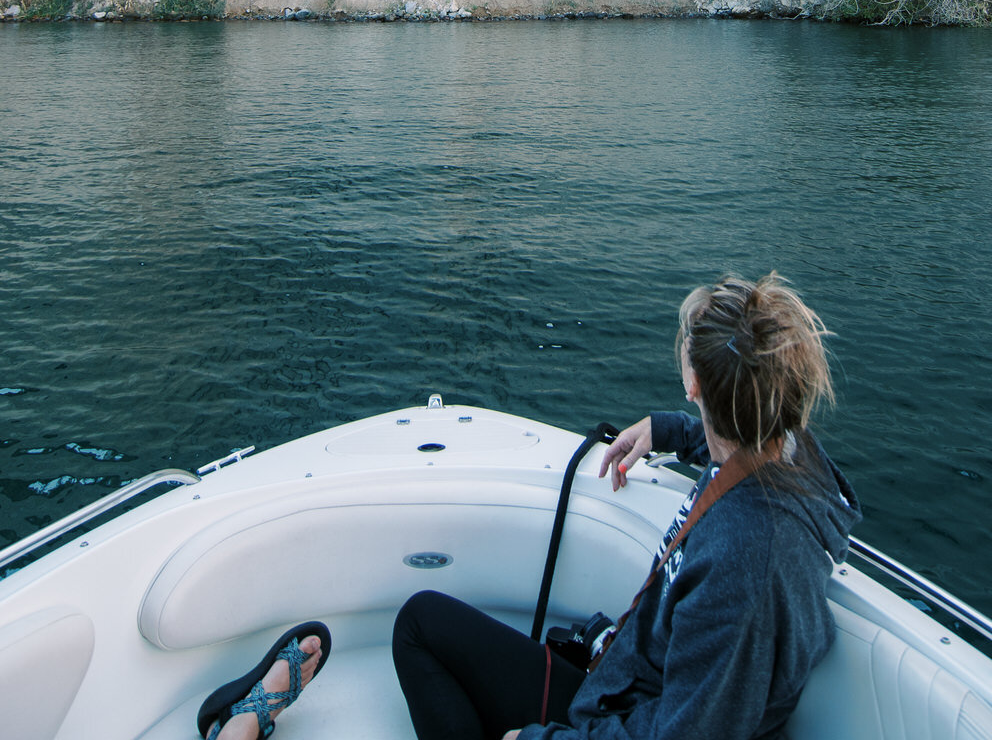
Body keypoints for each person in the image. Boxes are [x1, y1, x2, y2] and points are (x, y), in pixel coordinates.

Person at [198, 272, 859, 740]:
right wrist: (668, 430)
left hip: (618, 715)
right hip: (624, 682)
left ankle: (238, 731)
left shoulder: (747, 559)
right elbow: (731, 441)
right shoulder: (788, 453)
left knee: (419, 628)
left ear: (694, 383)